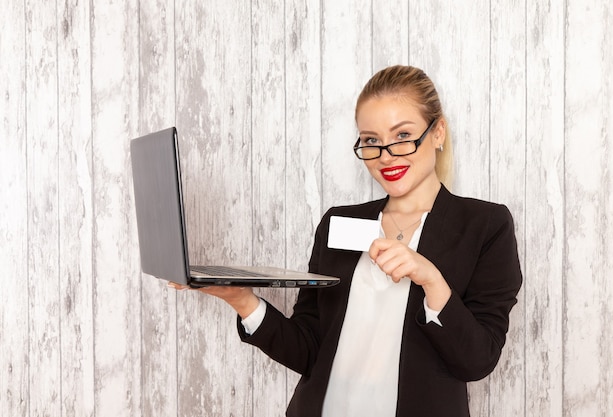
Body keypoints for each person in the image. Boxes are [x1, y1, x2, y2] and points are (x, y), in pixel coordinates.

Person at [172, 65, 523, 417]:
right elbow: (310, 350)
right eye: (371, 140)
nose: (386, 155)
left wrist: (430, 279)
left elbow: (478, 361)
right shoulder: (339, 223)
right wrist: (243, 300)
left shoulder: (485, 226)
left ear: (437, 132)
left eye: (402, 135)